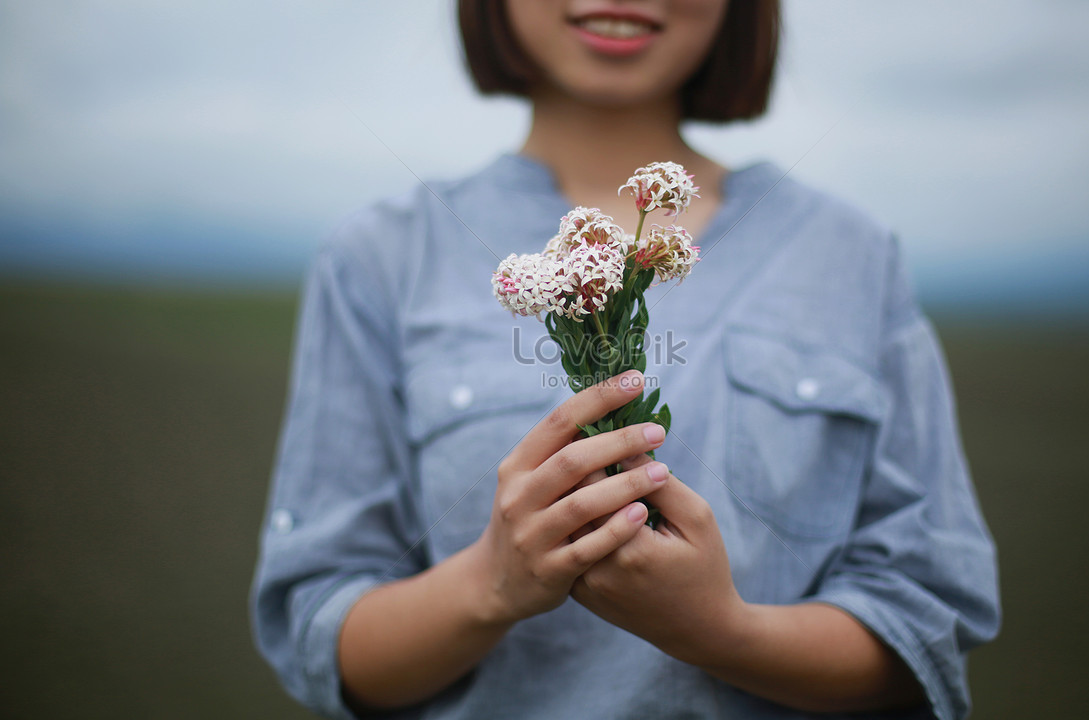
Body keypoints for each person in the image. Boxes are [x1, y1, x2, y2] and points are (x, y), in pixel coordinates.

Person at [251, 1, 1000, 718]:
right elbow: (323, 635)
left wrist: (721, 632)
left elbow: (927, 623)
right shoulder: (378, 257)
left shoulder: (852, 254)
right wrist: (491, 583)